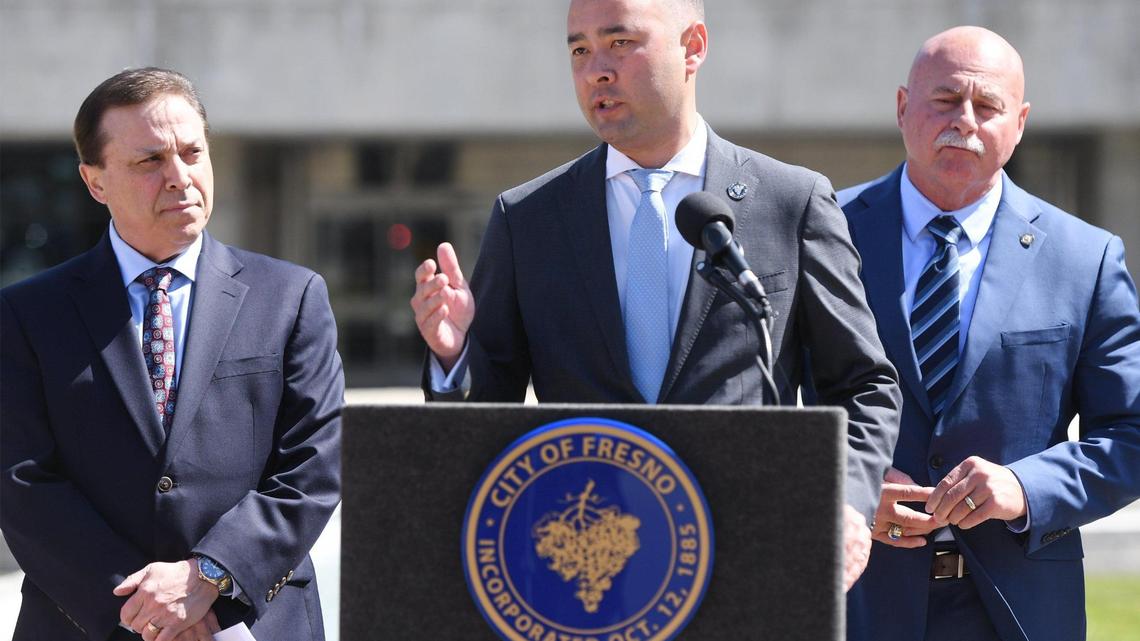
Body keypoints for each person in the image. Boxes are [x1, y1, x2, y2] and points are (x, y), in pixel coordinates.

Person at [410, 0, 901, 591]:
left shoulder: (789, 201)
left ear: (692, 47)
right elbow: (487, 417)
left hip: (748, 558)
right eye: (579, 50)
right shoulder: (528, 219)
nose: (596, 70)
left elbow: (864, 385)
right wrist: (453, 356)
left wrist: (846, 503)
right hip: (589, 567)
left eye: (620, 43)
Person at [0, 68, 344, 641]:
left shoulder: (292, 296)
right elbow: (21, 479)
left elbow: (312, 466)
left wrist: (208, 576)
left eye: (192, 153)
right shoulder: (26, 315)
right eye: (150, 161)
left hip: (252, 618)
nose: (180, 178)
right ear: (95, 182)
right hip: (85, 621)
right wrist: (144, 608)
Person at [842, 26, 1140, 641]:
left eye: (988, 106)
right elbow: (760, 403)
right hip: (858, 601)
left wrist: (1026, 486)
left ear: (1021, 121)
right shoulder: (824, 232)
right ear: (903, 108)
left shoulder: (1085, 259)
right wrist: (841, 489)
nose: (965, 122)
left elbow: (1132, 435)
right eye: (946, 100)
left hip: (1021, 610)